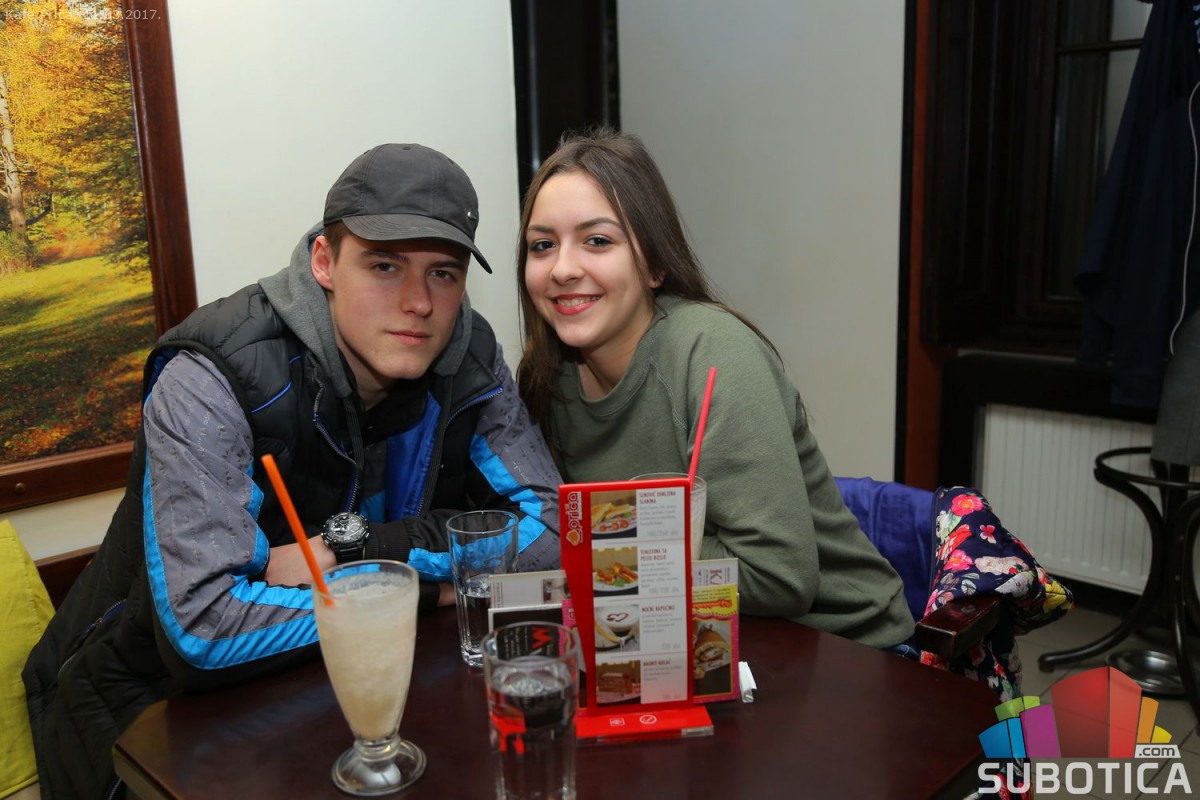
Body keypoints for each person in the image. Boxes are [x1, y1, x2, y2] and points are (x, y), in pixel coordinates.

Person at [24, 143, 562, 799]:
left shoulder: (468, 353)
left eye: (443, 273)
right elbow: (204, 627)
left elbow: (553, 533)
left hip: (330, 694)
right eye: (385, 265)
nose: (419, 303)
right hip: (134, 711)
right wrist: (423, 593)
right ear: (324, 262)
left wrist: (353, 553)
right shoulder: (209, 375)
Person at [515, 128, 913, 649]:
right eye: (543, 245)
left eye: (598, 241)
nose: (563, 269)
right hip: (680, 639)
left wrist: (602, 549)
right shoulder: (545, 379)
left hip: (840, 646)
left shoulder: (714, 354)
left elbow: (780, 577)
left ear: (656, 265)